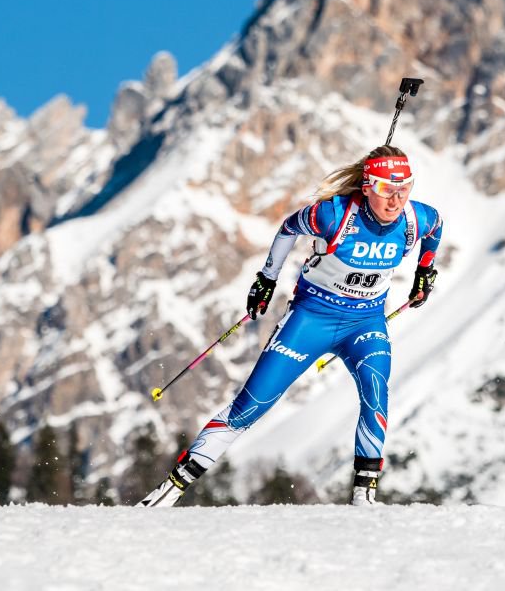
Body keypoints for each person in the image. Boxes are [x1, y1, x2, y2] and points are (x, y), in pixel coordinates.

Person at [139, 145, 443, 507]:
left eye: (404, 189)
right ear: (366, 187)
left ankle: (364, 496)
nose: (395, 201)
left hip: (366, 322)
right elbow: (287, 229)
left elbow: (436, 228)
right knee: (249, 407)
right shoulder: (333, 216)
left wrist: (425, 271)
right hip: (311, 318)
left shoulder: (415, 219)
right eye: (384, 190)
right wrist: (267, 278)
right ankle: (170, 489)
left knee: (376, 393)